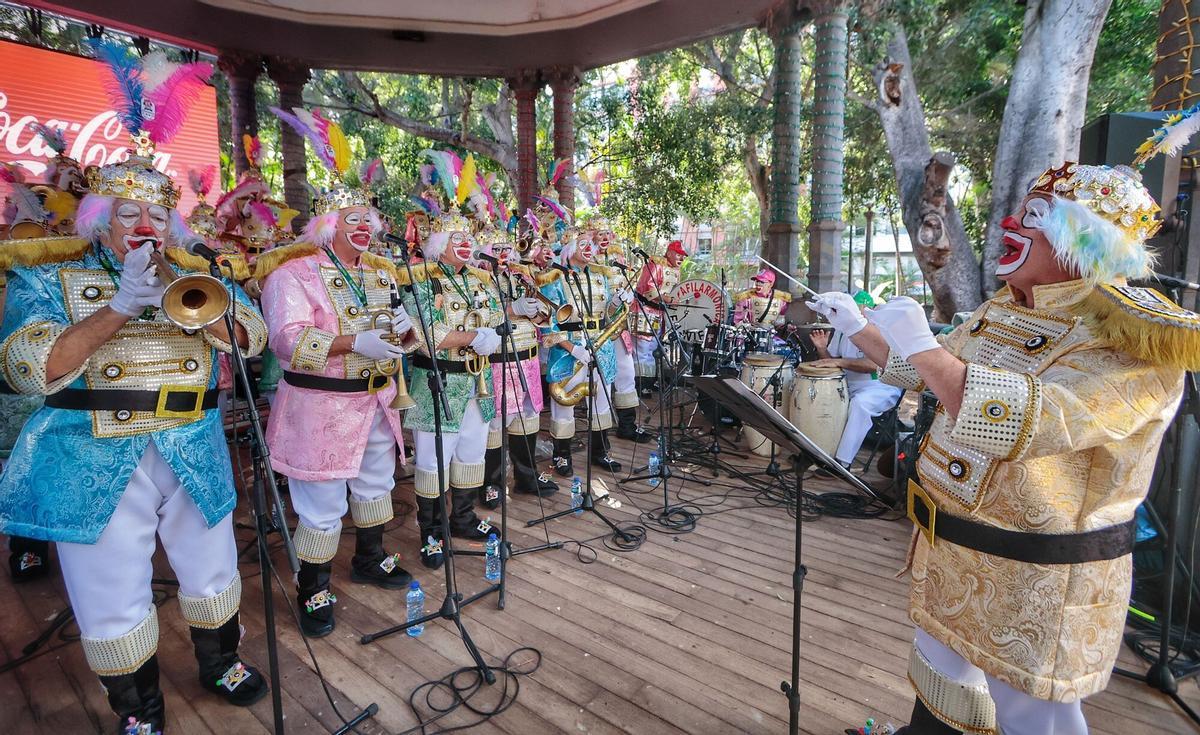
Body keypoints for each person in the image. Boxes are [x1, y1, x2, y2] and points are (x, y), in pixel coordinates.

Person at [812, 160, 1200, 735]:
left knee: (1032, 715)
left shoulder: (1138, 338)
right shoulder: (1006, 308)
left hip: (1038, 574)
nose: (1011, 225)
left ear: (1081, 237)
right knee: (944, 682)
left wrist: (926, 347)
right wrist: (863, 329)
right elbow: (932, 378)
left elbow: (1041, 420)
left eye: (1035, 217)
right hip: (952, 546)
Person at [0, 44, 270, 732]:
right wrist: (120, 305)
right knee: (110, 588)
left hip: (192, 441)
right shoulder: (44, 278)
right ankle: (138, 706)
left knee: (211, 565)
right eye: (127, 215)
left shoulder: (193, 268)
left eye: (153, 215)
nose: (143, 227)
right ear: (99, 217)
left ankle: (219, 659)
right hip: (92, 448)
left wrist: (208, 311)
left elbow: (255, 338)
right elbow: (28, 366)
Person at [258, 107, 418, 639]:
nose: (366, 228)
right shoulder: (291, 274)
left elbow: (386, 336)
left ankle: (369, 558)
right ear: (328, 223)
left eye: (370, 220)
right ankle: (313, 585)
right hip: (320, 406)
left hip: (375, 399)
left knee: (375, 485)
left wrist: (404, 335)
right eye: (354, 220)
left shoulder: (377, 274)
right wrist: (354, 341)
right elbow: (286, 341)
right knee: (321, 503)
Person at [397, 202, 503, 564]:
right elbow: (427, 332)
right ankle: (431, 530)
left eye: (467, 238)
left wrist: (495, 331)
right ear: (439, 243)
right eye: (456, 238)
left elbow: (498, 317)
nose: (465, 244)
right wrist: (476, 335)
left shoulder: (479, 278)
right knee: (432, 461)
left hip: (478, 380)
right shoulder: (422, 279)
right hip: (436, 382)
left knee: (472, 453)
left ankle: (463, 518)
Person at [475, 227, 558, 509]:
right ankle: (491, 483)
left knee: (527, 420)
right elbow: (478, 317)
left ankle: (527, 476)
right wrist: (512, 310)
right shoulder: (478, 279)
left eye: (506, 248)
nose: (503, 253)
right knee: (496, 424)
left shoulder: (522, 275)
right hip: (498, 361)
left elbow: (542, 314)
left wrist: (537, 311)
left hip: (528, 359)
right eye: (496, 248)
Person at [541, 228, 624, 478]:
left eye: (591, 244)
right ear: (569, 248)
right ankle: (562, 455)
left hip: (600, 348)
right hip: (569, 352)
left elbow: (608, 316)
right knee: (564, 406)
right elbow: (548, 325)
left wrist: (617, 303)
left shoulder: (601, 278)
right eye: (583, 244)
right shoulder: (553, 280)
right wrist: (573, 348)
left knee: (601, 403)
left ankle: (601, 451)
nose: (590, 248)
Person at [809, 290, 902, 469]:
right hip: (847, 384)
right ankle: (817, 451)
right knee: (817, 396)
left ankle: (842, 463)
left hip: (879, 386)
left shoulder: (879, 330)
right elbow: (832, 360)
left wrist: (839, 361)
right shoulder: (842, 329)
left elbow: (874, 364)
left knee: (860, 404)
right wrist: (821, 348)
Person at [588, 214, 651, 443]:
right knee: (600, 380)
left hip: (619, 326)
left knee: (626, 373)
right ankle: (598, 435)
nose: (604, 238)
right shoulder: (587, 258)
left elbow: (627, 284)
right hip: (596, 330)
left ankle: (627, 425)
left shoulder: (618, 257)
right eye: (599, 234)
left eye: (606, 233)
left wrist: (625, 296)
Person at [631, 239, 687, 388]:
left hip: (659, 313)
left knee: (653, 347)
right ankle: (639, 384)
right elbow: (649, 289)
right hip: (644, 310)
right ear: (669, 253)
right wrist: (669, 299)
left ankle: (648, 382)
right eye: (679, 255)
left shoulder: (675, 271)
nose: (682, 258)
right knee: (642, 349)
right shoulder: (655, 265)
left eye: (684, 256)